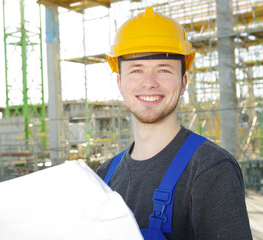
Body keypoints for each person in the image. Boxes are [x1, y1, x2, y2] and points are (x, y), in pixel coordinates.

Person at [96, 7, 252, 240]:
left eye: (164, 70)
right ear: (120, 82)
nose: (149, 83)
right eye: (136, 70)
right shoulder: (105, 174)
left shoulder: (210, 168)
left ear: (183, 81)